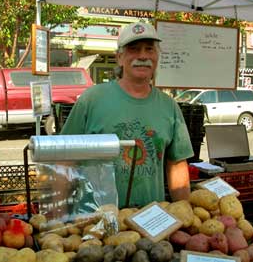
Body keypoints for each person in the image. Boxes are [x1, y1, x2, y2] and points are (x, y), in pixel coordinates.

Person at [60, 22, 194, 208]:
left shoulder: (169, 106)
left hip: (151, 221)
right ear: (119, 58)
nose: (143, 56)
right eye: (134, 49)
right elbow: (65, 158)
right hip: (97, 220)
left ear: (157, 57)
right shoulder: (91, 100)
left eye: (149, 49)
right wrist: (64, 213)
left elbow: (177, 164)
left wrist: (185, 211)